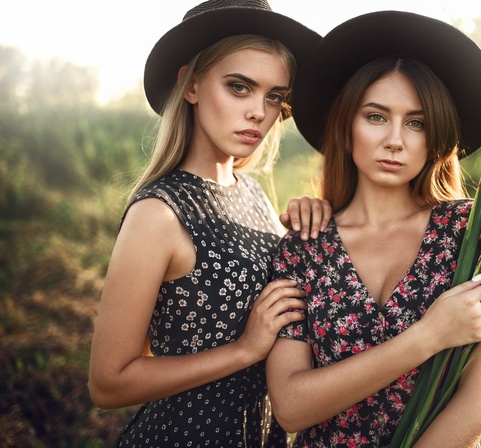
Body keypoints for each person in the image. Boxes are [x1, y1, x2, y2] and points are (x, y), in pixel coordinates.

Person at [87, 1, 330, 446]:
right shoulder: (157, 215)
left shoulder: (253, 194)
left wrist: (306, 228)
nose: (259, 111)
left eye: (274, 95)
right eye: (239, 87)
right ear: (191, 85)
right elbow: (109, 382)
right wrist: (243, 350)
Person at [266, 11, 481, 448]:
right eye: (376, 117)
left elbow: (479, 401)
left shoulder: (472, 233)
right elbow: (290, 406)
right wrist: (428, 336)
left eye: (416, 123)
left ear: (435, 136)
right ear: (345, 127)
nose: (395, 139)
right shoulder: (304, 246)